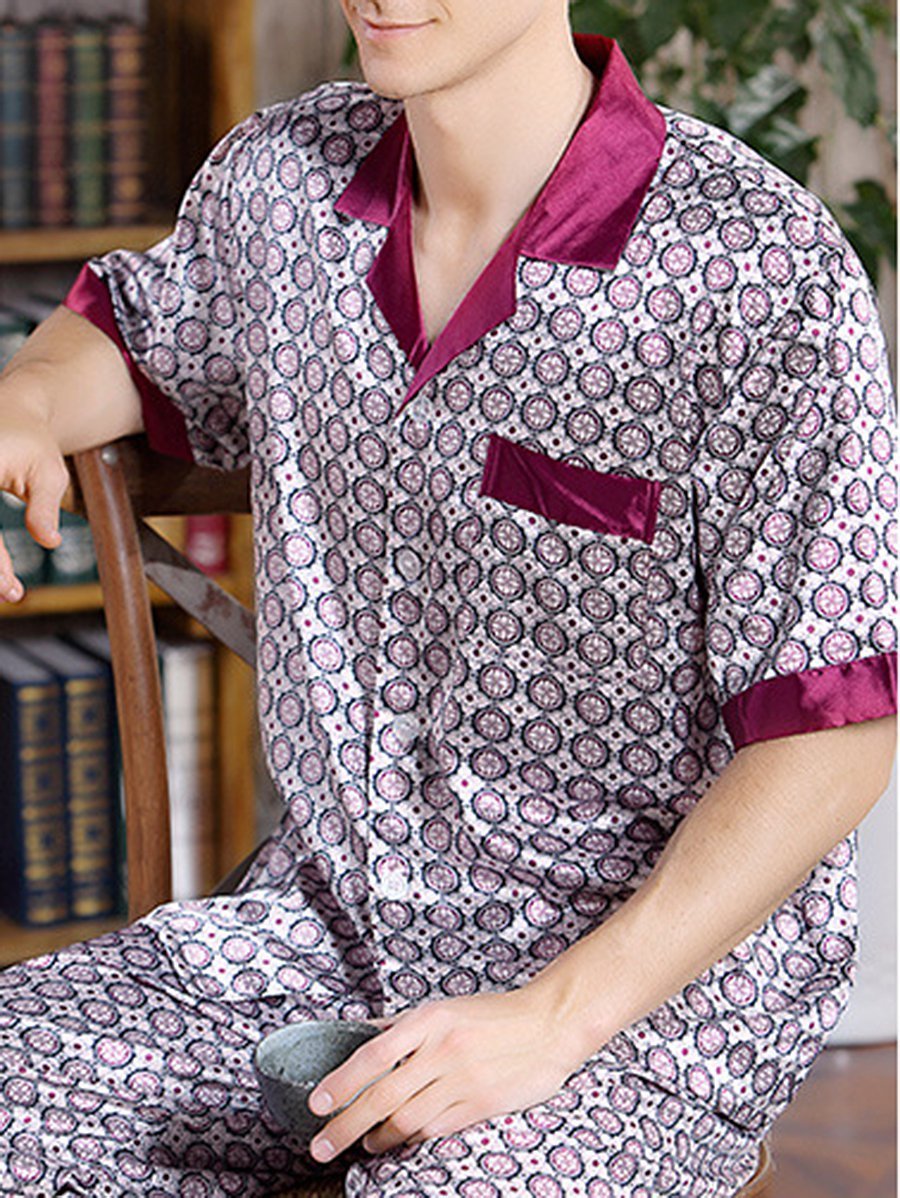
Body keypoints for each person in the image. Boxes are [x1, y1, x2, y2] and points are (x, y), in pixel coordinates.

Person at [0, 1, 895, 1195]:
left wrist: (550, 1022)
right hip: (314, 942)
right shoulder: (278, 185)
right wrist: (26, 405)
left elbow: (834, 730)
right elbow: (129, 337)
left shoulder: (757, 269)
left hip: (639, 1007)